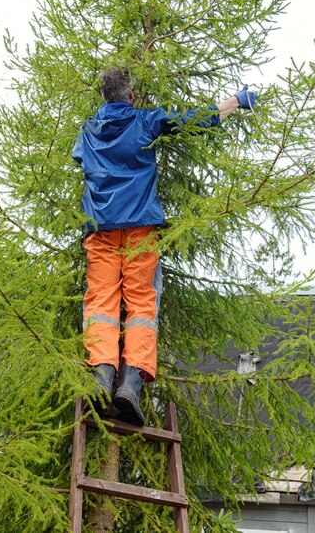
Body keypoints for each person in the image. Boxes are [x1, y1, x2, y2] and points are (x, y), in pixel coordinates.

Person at [72, 68, 256, 425]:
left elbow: (81, 160)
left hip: (100, 229)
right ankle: (130, 383)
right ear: (130, 96)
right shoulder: (145, 121)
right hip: (140, 227)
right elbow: (192, 121)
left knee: (101, 304)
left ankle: (101, 376)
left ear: (103, 96)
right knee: (141, 303)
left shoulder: (88, 130)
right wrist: (236, 101)